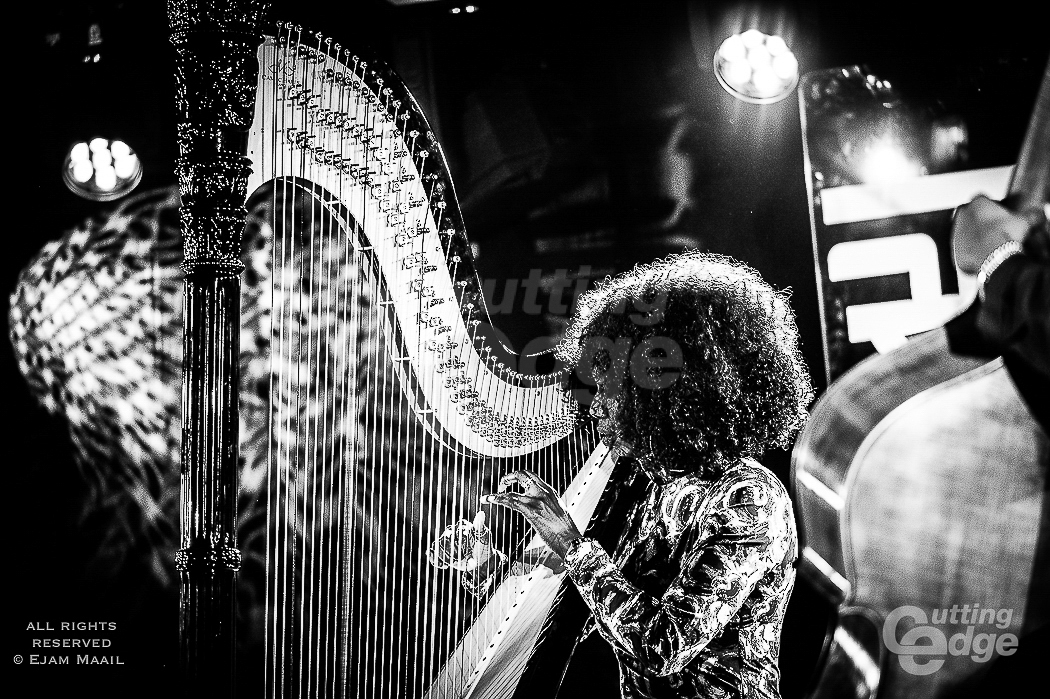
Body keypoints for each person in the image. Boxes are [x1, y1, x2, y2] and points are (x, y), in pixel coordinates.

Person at [463, 251, 813, 698]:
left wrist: (569, 541)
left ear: (663, 394)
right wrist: (485, 566)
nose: (596, 407)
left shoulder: (750, 498)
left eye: (610, 388)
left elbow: (660, 647)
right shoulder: (651, 487)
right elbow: (590, 614)